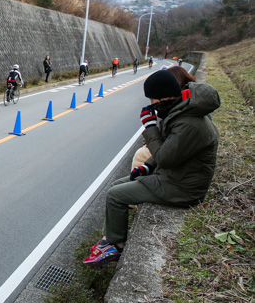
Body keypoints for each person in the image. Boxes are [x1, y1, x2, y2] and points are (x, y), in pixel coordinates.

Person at [84, 69, 220, 266]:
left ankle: (116, 245)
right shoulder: (182, 111)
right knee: (120, 183)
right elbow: (170, 149)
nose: (152, 106)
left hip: (183, 188)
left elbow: (164, 157)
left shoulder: (190, 124)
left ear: (165, 97)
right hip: (175, 177)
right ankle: (109, 240)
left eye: (153, 101)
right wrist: (146, 167)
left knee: (115, 195)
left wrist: (150, 128)